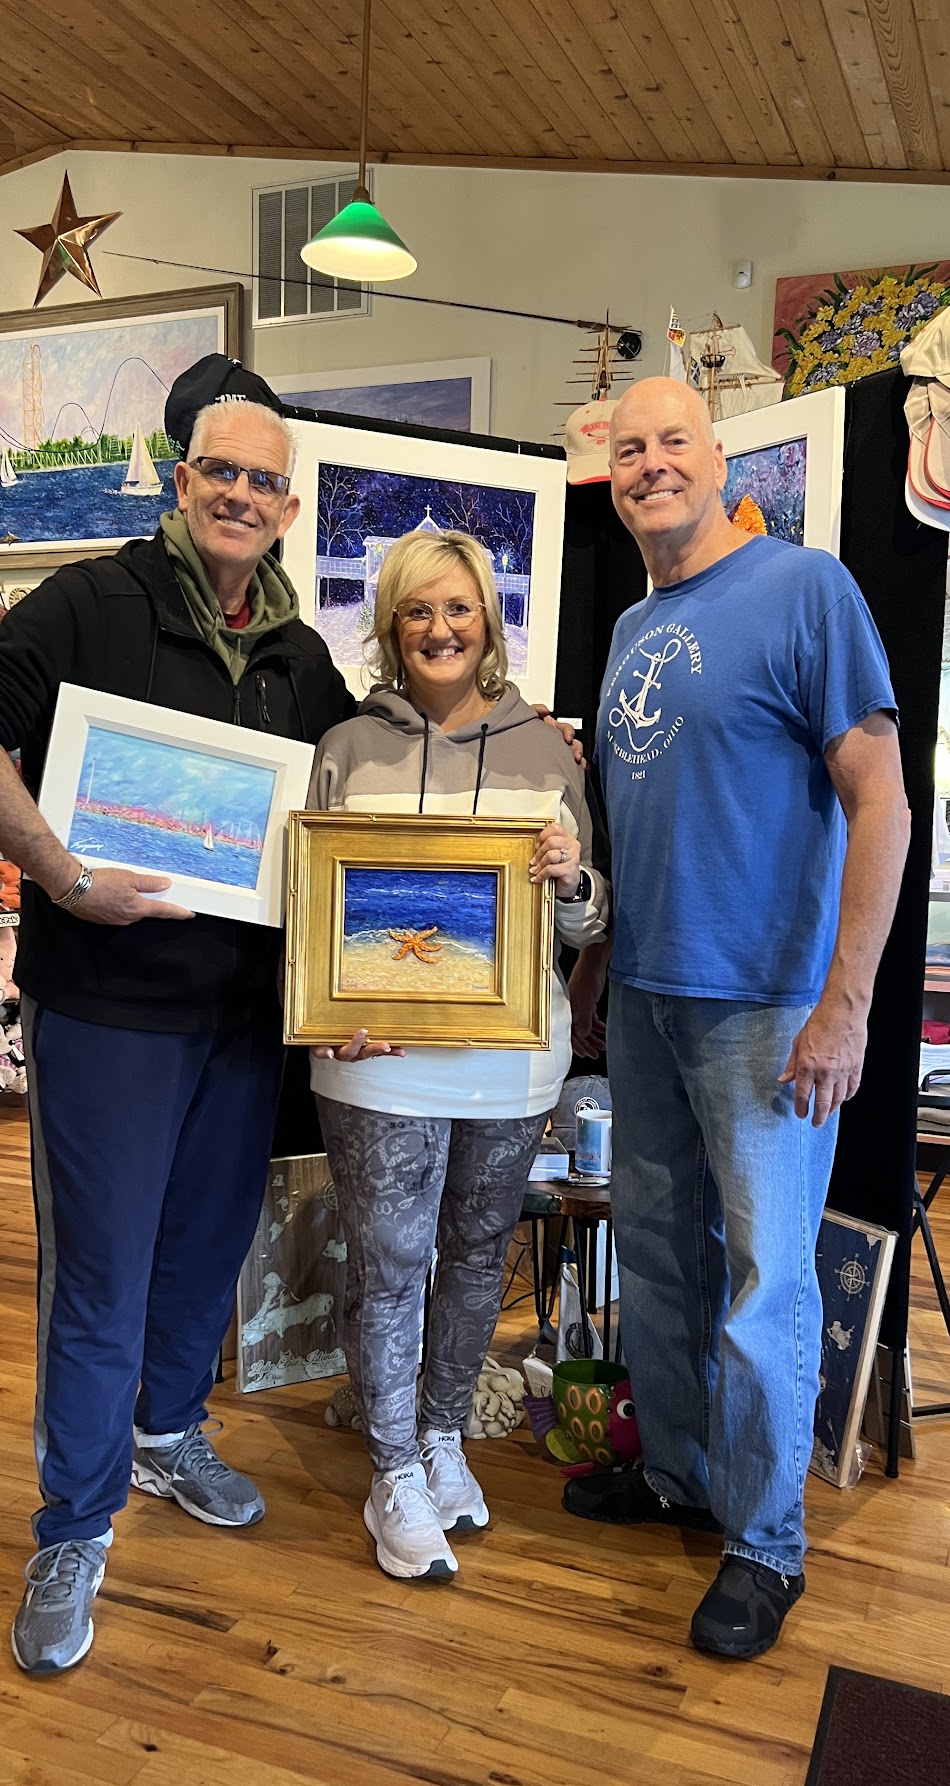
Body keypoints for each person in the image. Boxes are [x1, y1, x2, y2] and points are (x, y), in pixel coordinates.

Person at [0, 360, 355, 1675]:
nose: (241, 494)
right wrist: (60, 874)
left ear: (288, 509)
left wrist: (502, 738)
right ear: (180, 478)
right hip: (108, 1011)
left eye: (265, 480)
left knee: (206, 1254)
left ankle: (168, 1434)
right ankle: (74, 1524)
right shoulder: (94, 601)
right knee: (99, 1275)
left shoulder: (299, 657)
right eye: (221, 470)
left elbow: (359, 795)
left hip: (240, 1021)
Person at [566, 377, 910, 1659]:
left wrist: (846, 1004)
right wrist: (600, 975)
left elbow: (882, 804)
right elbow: (643, 823)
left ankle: (766, 1543)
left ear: (720, 463)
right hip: (649, 996)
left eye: (674, 442)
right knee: (660, 1257)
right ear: (609, 477)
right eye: (629, 448)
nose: (651, 464)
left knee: (765, 1282)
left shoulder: (807, 590)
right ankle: (680, 1476)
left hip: (769, 1008)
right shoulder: (632, 624)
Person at [308, 529, 607, 1582]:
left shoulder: (548, 752)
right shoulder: (347, 745)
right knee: (391, 1264)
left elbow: (589, 924)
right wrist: (320, 1004)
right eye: (418, 611)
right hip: (375, 1057)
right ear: (392, 628)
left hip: (511, 1058)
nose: (440, 629)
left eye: (459, 609)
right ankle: (392, 1470)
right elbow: (309, 906)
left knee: (480, 1257)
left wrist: (574, 880)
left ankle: (441, 1437)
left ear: (489, 622)